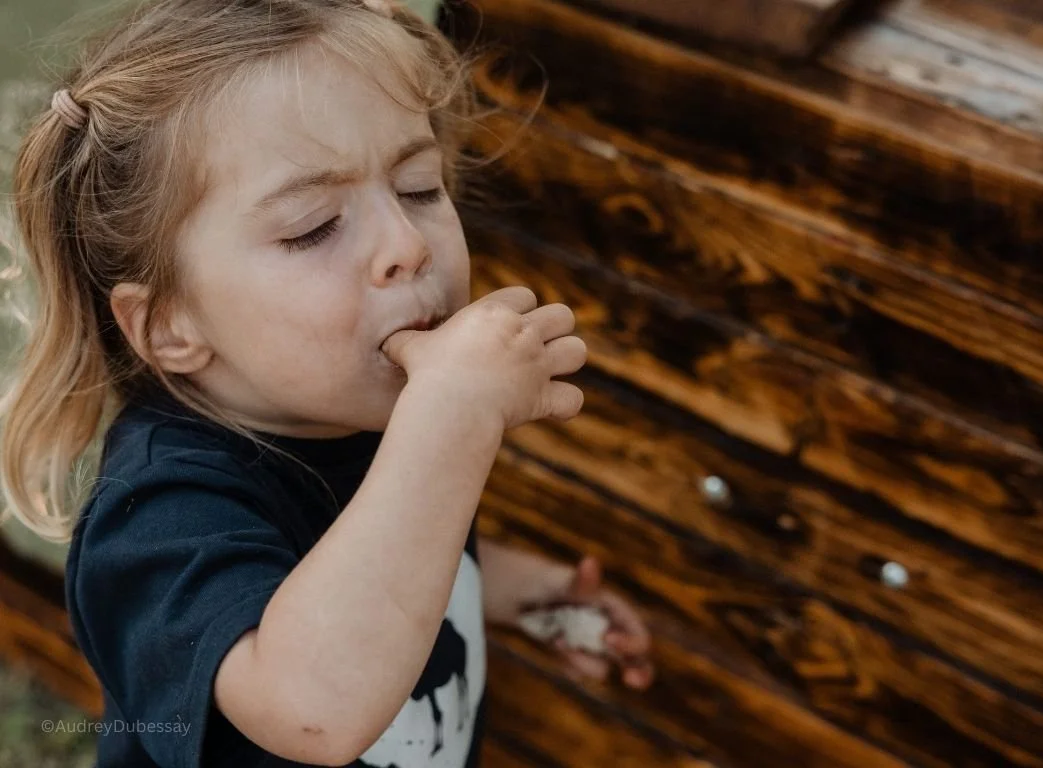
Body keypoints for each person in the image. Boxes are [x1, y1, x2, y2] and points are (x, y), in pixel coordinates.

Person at [0, 0, 655, 765]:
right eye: (313, 226)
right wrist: (449, 423)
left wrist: (522, 593)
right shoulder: (159, 515)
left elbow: (395, 555)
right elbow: (313, 711)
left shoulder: (354, 410)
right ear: (172, 326)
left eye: (418, 187)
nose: (407, 246)